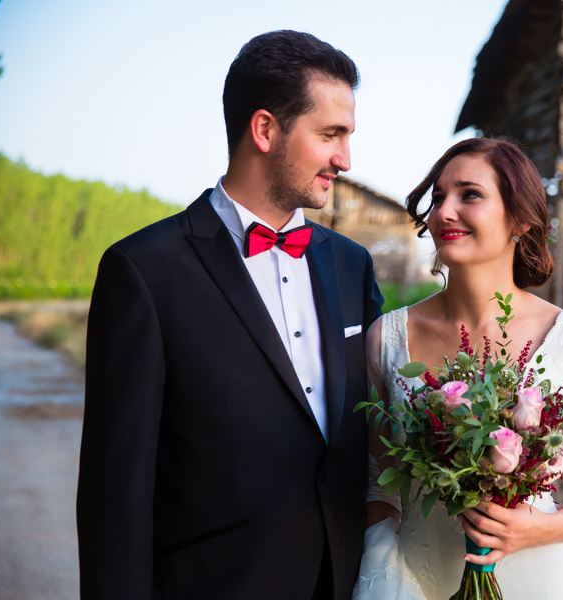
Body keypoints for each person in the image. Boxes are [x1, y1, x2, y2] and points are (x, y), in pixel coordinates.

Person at [76, 30, 384, 600]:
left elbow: (375, 436)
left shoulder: (351, 265)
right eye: (330, 134)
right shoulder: (142, 271)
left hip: (345, 583)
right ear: (265, 129)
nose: (345, 158)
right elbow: (114, 492)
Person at [352, 138, 563, 599]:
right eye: (437, 198)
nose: (443, 212)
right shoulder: (387, 338)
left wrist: (539, 529)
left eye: (469, 195)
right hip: (417, 580)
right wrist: (386, 569)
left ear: (521, 219)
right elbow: (378, 486)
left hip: (538, 577)